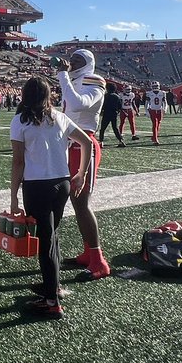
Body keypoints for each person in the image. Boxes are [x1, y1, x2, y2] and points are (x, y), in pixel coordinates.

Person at [10, 76, 93, 318]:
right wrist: (80, 174)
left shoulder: (20, 120)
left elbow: (18, 162)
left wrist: (13, 196)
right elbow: (87, 142)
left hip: (37, 186)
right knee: (52, 236)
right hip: (62, 183)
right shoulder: (59, 117)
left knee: (45, 242)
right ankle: (52, 285)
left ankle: (51, 301)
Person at [54, 51, 110, 279]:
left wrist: (62, 75)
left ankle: (99, 262)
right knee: (75, 204)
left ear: (88, 64)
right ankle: (89, 252)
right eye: (72, 59)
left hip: (83, 144)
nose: (72, 62)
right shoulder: (74, 80)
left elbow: (78, 105)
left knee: (82, 202)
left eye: (78, 60)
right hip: (68, 144)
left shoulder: (93, 79)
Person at [97, 81, 125, 147]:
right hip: (114, 114)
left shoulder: (105, 96)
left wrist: (101, 111)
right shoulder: (117, 97)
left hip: (106, 113)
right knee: (115, 128)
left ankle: (101, 142)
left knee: (103, 128)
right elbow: (120, 107)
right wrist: (117, 111)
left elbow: (102, 105)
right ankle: (121, 141)